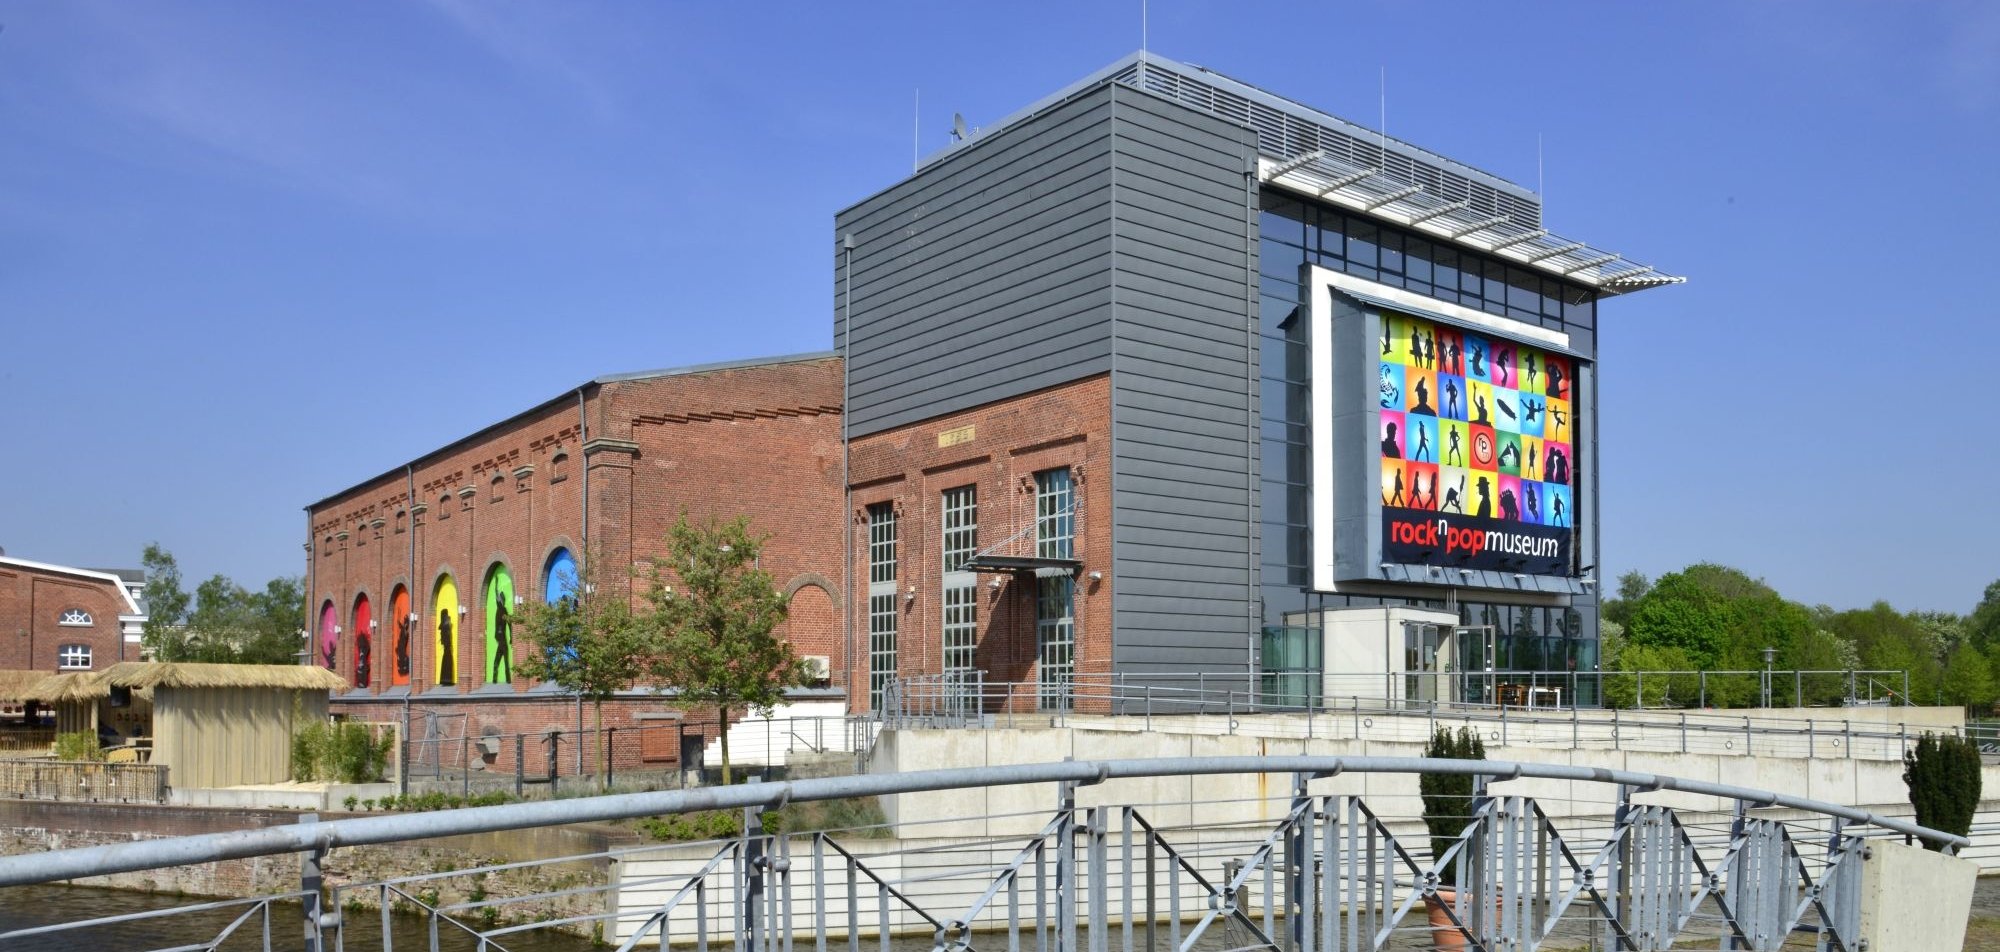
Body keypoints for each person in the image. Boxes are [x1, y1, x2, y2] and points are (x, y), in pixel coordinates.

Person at [437, 608, 456, 686]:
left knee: (447, 661)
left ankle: (446, 679)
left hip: (447, 646)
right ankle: (446, 679)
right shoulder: (446, 623)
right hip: (447, 646)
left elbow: (447, 634)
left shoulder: (446, 623)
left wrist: (447, 643)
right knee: (447, 661)